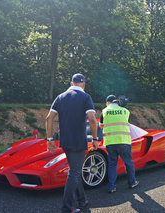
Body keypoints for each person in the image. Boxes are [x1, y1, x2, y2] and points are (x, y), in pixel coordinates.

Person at [45, 73, 98, 213]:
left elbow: (49, 118)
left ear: (71, 83)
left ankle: (82, 201)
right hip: (78, 141)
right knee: (74, 173)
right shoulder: (86, 97)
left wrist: (49, 139)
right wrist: (95, 139)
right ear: (84, 84)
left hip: (65, 141)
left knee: (75, 171)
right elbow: (92, 119)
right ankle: (67, 208)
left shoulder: (60, 97)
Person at [99, 95, 139, 193]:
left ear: (108, 102)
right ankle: (132, 182)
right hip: (124, 141)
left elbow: (101, 126)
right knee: (128, 162)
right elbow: (127, 123)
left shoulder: (104, 111)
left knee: (112, 164)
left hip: (110, 142)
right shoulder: (125, 111)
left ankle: (112, 187)